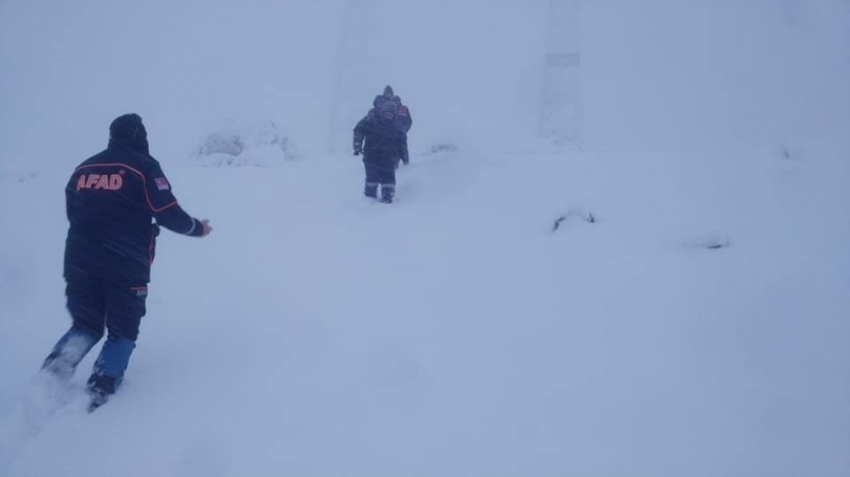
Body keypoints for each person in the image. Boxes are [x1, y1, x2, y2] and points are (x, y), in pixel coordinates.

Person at [40, 113, 212, 411]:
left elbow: (73, 211)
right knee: (123, 328)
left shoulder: (84, 167)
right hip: (125, 262)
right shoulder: (143, 166)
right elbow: (167, 210)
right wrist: (198, 228)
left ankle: (49, 380)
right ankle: (99, 391)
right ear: (140, 137)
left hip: (79, 259)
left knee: (86, 324)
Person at [353, 100, 409, 203]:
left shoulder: (398, 127)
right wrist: (357, 145)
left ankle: (387, 200)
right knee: (372, 179)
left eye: (390, 114)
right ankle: (369, 200)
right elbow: (358, 130)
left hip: (389, 158)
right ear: (382, 113)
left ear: (394, 114)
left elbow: (402, 143)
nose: (388, 116)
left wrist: (404, 156)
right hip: (371, 156)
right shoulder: (371, 120)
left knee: (388, 180)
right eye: (386, 114)